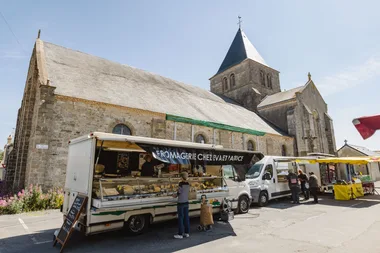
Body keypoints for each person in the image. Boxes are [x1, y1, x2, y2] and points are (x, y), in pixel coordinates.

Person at [174, 172, 190, 239]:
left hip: (181, 203)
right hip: (186, 202)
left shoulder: (181, 184)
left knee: (180, 218)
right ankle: (187, 233)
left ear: (181, 177)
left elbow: (179, 193)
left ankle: (180, 234)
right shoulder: (188, 184)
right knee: (186, 218)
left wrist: (174, 195)